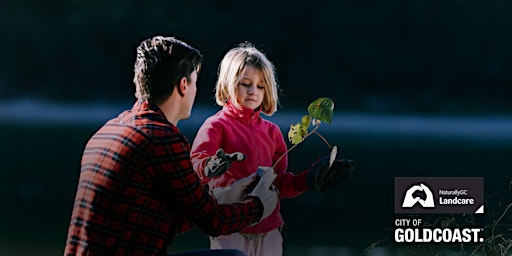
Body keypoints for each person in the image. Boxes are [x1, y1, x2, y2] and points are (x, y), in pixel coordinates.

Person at [64, 36, 279, 256]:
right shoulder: (161, 137)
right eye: (195, 81)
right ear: (183, 85)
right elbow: (214, 222)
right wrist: (258, 205)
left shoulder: (108, 130)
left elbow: (168, 220)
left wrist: (223, 196)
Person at [190, 43, 356, 256]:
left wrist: (308, 179)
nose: (253, 92)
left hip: (269, 227)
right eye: (246, 84)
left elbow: (279, 183)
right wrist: (210, 166)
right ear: (229, 84)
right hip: (229, 228)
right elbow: (194, 167)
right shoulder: (216, 126)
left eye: (260, 86)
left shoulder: (273, 132)